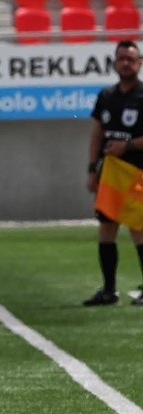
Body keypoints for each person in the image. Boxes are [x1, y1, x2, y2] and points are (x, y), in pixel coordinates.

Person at [84, 39, 143, 307]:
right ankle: (109, 291)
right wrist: (91, 168)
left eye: (131, 59)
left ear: (139, 63)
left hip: (137, 172)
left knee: (138, 229)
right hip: (110, 173)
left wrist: (127, 146)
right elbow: (97, 133)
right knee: (107, 228)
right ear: (114, 63)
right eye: (122, 58)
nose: (126, 63)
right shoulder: (106, 96)